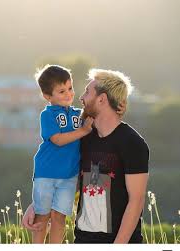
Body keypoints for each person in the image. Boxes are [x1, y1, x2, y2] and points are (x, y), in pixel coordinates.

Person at [22, 68, 149, 244]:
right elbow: (69, 177)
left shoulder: (132, 143)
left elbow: (137, 200)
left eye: (87, 92)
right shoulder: (83, 137)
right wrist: (37, 205)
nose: (80, 97)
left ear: (102, 99)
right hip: (82, 241)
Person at [30, 64, 94, 243]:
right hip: (46, 174)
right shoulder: (47, 115)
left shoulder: (79, 114)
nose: (69, 94)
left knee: (60, 218)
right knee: (42, 216)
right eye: (61, 91)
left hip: (69, 177)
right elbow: (57, 140)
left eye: (70, 88)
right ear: (47, 96)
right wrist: (83, 132)